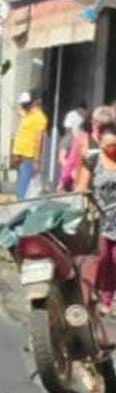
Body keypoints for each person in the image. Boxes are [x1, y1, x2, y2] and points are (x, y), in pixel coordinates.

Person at [77, 123, 116, 312]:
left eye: (114, 146)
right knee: (102, 256)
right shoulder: (93, 159)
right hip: (98, 215)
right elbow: (82, 187)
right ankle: (94, 289)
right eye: (107, 145)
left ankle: (107, 298)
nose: (111, 150)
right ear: (99, 142)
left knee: (115, 260)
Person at [12, 91, 48, 200]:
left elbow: (39, 139)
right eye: (23, 104)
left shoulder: (39, 117)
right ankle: (19, 200)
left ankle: (21, 202)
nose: (23, 106)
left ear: (33, 103)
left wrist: (37, 159)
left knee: (23, 184)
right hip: (20, 154)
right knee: (20, 182)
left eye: (26, 104)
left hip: (30, 155)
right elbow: (17, 109)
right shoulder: (26, 113)